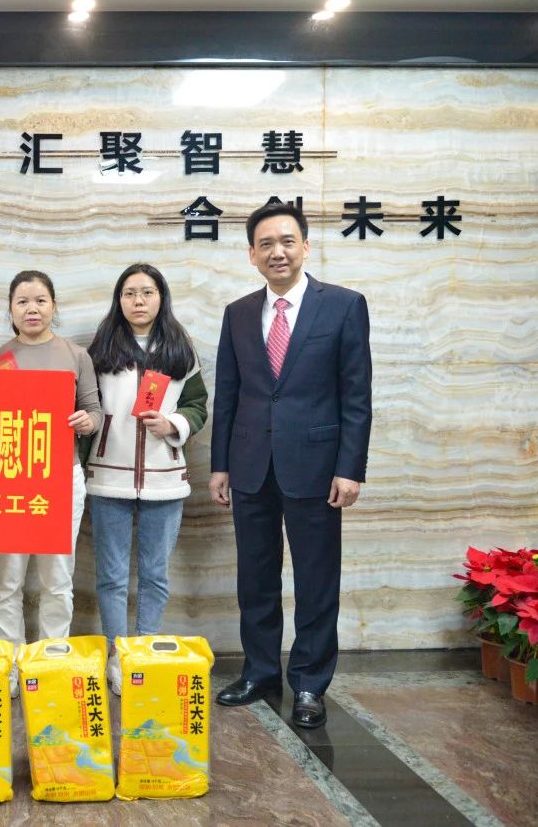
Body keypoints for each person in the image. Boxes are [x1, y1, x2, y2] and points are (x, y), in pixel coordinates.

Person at [209, 202, 372, 729]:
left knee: (316, 581)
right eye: (265, 244)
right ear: (251, 255)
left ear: (305, 246)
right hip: (250, 465)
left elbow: (357, 396)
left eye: (286, 241)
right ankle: (260, 673)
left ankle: (308, 684)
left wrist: (350, 468)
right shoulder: (238, 313)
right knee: (255, 578)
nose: (276, 252)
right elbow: (228, 395)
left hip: (318, 469)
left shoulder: (344, 306)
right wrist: (220, 465)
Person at [85, 263, 208, 695]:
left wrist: (174, 423)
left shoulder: (180, 349)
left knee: (156, 574)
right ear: (119, 300)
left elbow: (198, 406)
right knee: (112, 576)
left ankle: (144, 650)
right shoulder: (101, 348)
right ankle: (117, 655)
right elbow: (86, 404)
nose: (138, 301)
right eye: (130, 293)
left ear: (161, 297)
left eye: (147, 292)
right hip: (108, 478)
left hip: (164, 478)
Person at [0, 270, 102, 697]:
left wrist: (87, 421)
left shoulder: (75, 355)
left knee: (57, 579)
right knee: (6, 580)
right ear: (11, 309)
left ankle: (51, 664)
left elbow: (94, 410)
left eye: (40, 301)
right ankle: (10, 667)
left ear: (53, 305)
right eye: (22, 302)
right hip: (7, 480)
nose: (32, 309)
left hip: (60, 478)